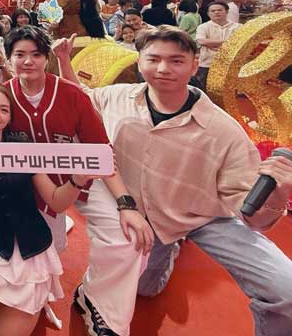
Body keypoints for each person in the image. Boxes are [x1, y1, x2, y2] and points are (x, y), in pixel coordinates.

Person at [54, 26, 292, 336]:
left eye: (176, 60)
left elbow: (252, 217)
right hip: (143, 217)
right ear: (140, 61)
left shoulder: (225, 131)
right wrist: (64, 60)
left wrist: (279, 194)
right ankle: (169, 248)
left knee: (286, 289)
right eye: (154, 59)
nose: (163, 69)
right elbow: (81, 99)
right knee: (143, 287)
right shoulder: (117, 96)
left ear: (194, 65)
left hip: (203, 216)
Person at [0, 84, 98, 336]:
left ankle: (17, 298)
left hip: (30, 246)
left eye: (4, 110)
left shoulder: (23, 149)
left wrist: (77, 181)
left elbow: (56, 202)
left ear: (9, 118)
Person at [4, 26, 151, 256]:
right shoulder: (1, 97)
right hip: (31, 187)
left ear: (46, 58)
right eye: (19, 55)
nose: (28, 61)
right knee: (42, 251)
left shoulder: (72, 95)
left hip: (82, 178)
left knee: (127, 237)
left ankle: (94, 282)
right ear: (8, 59)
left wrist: (126, 204)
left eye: (36, 54)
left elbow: (101, 151)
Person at [194, 1, 240, 90]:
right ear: (208, 14)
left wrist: (211, 43)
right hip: (207, 64)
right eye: (213, 11)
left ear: (227, 12)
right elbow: (201, 41)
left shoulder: (237, 27)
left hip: (229, 65)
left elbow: (240, 42)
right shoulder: (203, 27)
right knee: (203, 90)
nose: (216, 12)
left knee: (227, 91)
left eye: (220, 10)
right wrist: (228, 42)